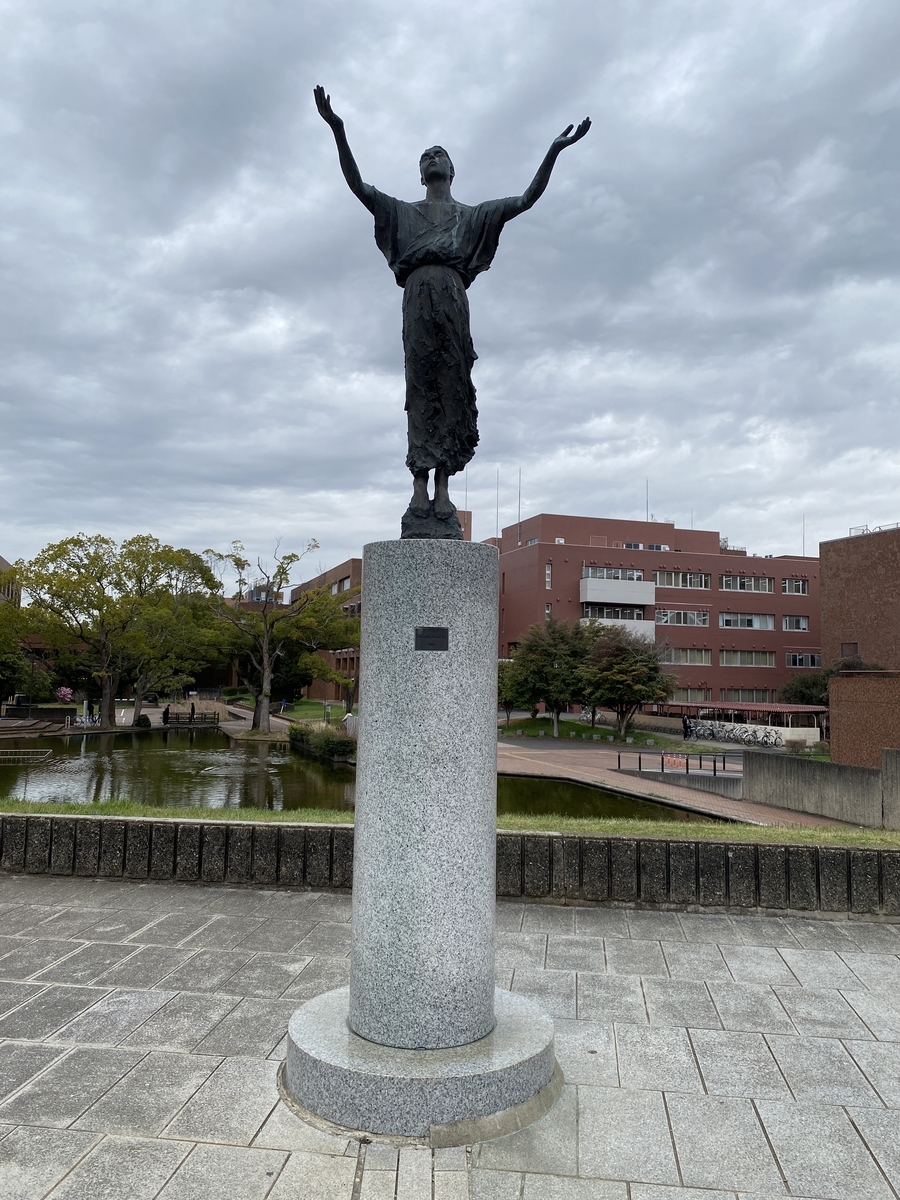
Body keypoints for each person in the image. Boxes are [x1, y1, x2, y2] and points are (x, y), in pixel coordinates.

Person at [314, 86, 590, 530]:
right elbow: (358, 187)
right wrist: (338, 130)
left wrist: (553, 151)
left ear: (451, 169)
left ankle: (443, 485)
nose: (432, 158)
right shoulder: (402, 212)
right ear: (421, 174)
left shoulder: (471, 215)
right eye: (425, 156)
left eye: (438, 154)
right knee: (420, 386)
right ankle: (419, 484)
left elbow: (524, 200)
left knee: (452, 386)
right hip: (417, 300)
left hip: (453, 300)